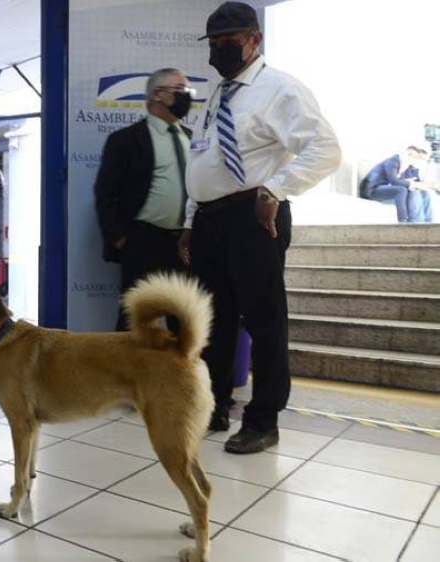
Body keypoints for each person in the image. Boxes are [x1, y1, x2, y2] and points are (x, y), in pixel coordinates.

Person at [179, 2, 341, 454]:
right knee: (215, 321)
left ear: (254, 40)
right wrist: (192, 220)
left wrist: (276, 190)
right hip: (211, 221)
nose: (219, 50)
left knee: (265, 321)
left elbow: (325, 149)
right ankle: (212, 406)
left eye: (228, 42)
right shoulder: (218, 95)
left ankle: (263, 419)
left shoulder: (280, 89)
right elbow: (203, 157)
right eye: (213, 44)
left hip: (254, 215)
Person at [94, 68, 194, 331]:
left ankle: (177, 373)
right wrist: (121, 238)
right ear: (158, 95)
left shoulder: (193, 139)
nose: (187, 97)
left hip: (185, 245)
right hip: (142, 242)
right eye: (180, 90)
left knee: (183, 321)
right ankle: (124, 373)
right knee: (133, 321)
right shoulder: (125, 140)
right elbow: (105, 193)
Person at [362, 146, 434, 223]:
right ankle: (409, 221)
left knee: (423, 193)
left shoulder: (406, 165)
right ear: (406, 153)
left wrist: (424, 185)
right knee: (409, 190)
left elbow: (407, 182)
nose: (415, 159)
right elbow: (394, 181)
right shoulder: (393, 161)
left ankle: (428, 222)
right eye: (412, 156)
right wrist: (411, 183)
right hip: (373, 190)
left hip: (390, 190)